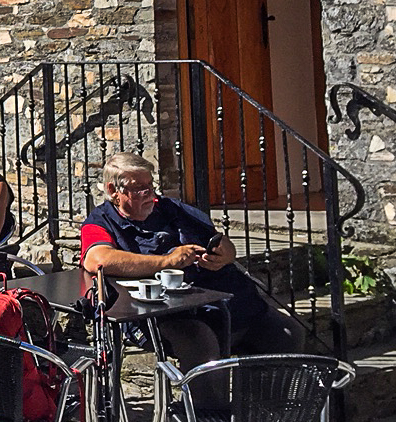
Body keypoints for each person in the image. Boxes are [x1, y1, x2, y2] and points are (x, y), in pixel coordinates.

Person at [80, 152, 302, 385]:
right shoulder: (101, 221)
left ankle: (268, 413)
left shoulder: (172, 209)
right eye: (139, 189)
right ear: (114, 190)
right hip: (158, 315)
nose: (149, 194)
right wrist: (167, 261)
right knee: (200, 342)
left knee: (287, 333)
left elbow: (222, 242)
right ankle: (207, 418)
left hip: (220, 300)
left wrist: (223, 255)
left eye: (150, 186)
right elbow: (98, 259)